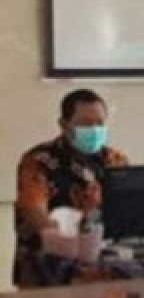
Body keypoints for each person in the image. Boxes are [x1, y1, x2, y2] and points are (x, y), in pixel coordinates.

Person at [13, 89, 129, 286]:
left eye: (100, 123)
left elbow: (129, 206)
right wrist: (64, 242)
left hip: (102, 257)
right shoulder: (39, 160)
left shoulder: (115, 160)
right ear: (64, 124)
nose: (94, 129)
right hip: (48, 262)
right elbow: (33, 209)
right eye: (85, 123)